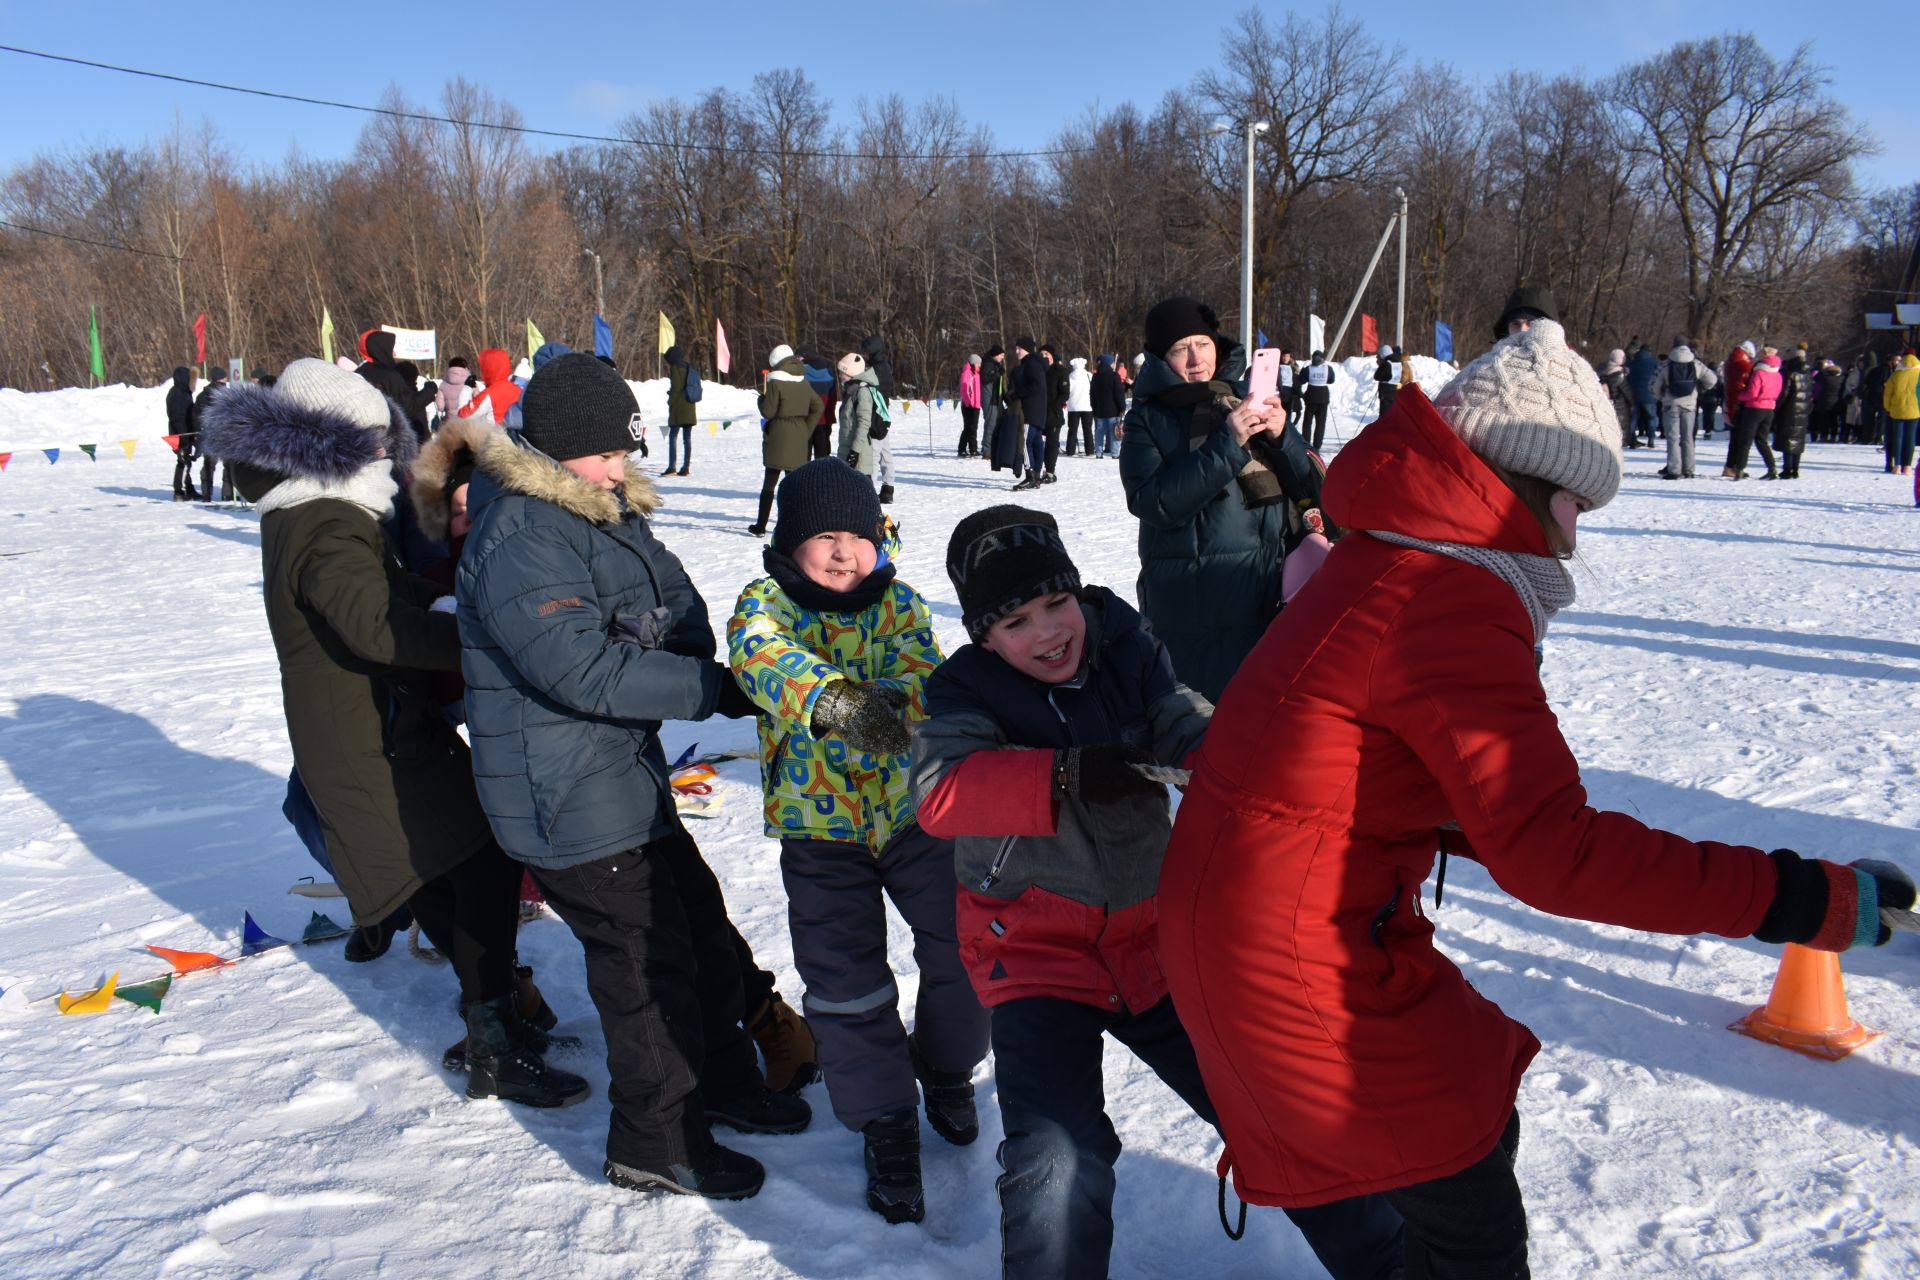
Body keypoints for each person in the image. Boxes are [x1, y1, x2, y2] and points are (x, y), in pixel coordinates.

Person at [1155, 318, 1917, 1278]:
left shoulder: (1388, 555)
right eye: (1580, 510)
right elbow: (1558, 854)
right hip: (1293, 952)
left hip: (1273, 919)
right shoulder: (1448, 597)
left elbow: (1389, 782)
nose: (1575, 538)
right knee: (1465, 1209)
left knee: (1465, 1125)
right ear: (1547, 493)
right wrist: (1807, 898)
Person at [913, 506, 1405, 1280]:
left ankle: (1396, 1264)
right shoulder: (962, 692)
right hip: (1037, 956)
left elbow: (1177, 715)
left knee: (1274, 1106)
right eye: (1016, 621)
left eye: (1055, 603)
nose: (1048, 632)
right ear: (983, 635)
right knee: (1056, 1154)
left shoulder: (1121, 641)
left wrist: (1235, 752)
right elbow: (941, 793)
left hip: (1156, 935)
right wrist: (1065, 774)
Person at [456, 353, 807, 1200]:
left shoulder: (597, 507)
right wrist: (716, 690)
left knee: (698, 931)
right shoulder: (521, 535)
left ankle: (721, 1085)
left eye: (627, 452)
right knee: (648, 970)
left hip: (618, 775)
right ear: (560, 446)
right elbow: (586, 671)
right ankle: (654, 1139)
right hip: (566, 796)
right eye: (609, 453)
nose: (622, 468)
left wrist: (681, 647)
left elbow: (671, 604)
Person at [201, 358, 587, 1108]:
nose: (387, 454)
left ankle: (496, 1023)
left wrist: (453, 603)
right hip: (371, 738)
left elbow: (388, 590)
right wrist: (484, 643)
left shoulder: (313, 509)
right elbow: (372, 624)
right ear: (329, 443)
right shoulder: (323, 519)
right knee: (477, 863)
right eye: (374, 441)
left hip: (376, 728)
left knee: (449, 874)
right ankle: (495, 1040)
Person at [728, 460, 988, 1224]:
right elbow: (760, 661)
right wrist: (837, 703)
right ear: (791, 544)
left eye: (859, 537)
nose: (844, 553)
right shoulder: (765, 605)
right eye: (825, 537)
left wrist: (904, 706)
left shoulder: (899, 604)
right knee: (846, 985)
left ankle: (943, 1066)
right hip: (819, 833)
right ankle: (885, 1122)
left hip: (912, 814)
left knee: (963, 945)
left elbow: (922, 679)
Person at [1118, 296, 1319, 704]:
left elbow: (1312, 489)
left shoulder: (1241, 398)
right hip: (1199, 608)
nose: (1196, 359)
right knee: (1211, 726)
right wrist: (1229, 443)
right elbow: (1154, 503)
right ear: (1160, 357)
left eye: (1203, 344)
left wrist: (1283, 437)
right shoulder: (1147, 418)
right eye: (1180, 349)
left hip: (1268, 594)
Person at [752, 343, 826, 536]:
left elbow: (768, 411)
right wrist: (806, 429)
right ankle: (798, 524)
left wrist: (761, 399)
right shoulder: (803, 381)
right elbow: (817, 406)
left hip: (778, 435)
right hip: (799, 435)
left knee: (770, 483)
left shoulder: (776, 382)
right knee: (795, 486)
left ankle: (761, 525)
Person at [1653, 338, 1718, 479]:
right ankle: (1689, 469)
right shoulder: (1696, 364)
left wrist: (1662, 397)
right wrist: (1700, 390)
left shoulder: (1666, 365)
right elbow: (1712, 379)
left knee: (1672, 438)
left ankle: (1674, 470)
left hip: (1671, 405)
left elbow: (1654, 386)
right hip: (1690, 406)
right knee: (1688, 438)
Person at [836, 351, 891, 500]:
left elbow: (864, 424)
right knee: (847, 499)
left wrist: (854, 451)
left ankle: (884, 524)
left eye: (843, 372)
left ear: (852, 373)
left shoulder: (862, 392)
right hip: (845, 451)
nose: (840, 376)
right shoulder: (849, 391)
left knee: (868, 501)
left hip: (859, 455)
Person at [1726, 346, 1782, 480]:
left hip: (1754, 409)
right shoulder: (1778, 375)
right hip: (1769, 409)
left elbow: (1752, 393)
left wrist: (1740, 396)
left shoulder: (1759, 374)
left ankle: (1739, 469)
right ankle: (1772, 468)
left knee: (1745, 440)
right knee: (1762, 440)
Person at [1011, 338, 1049, 492]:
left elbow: (1036, 386)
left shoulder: (1030, 364)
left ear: (1026, 349)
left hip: (1031, 410)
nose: (1016, 351)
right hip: (1039, 411)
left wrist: (1017, 393)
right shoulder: (1036, 363)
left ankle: (1030, 475)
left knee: (1024, 442)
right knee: (1036, 442)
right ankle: (1037, 474)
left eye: (1018, 348)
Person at [193, 365, 234, 501]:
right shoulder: (227, 395)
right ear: (222, 378)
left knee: (208, 465)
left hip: (209, 434)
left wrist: (199, 431)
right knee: (228, 466)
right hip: (225, 434)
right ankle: (227, 494)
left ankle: (206, 494)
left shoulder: (202, 396)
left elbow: (196, 416)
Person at [1773, 348, 1812, 480]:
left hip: (1789, 410)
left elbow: (1785, 394)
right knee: (1798, 440)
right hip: (1803, 410)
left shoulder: (1790, 373)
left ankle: (1787, 469)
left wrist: (1777, 408)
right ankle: (1795, 469)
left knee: (1788, 440)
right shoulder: (1808, 373)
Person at [662, 344, 701, 477]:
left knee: (673, 436)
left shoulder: (675, 369)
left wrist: (670, 402)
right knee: (687, 438)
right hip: (690, 407)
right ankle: (686, 467)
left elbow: (676, 390)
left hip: (678, 409)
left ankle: (672, 466)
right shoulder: (689, 368)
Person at [457, 349, 520, 426]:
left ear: (488, 368)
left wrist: (467, 388)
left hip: (495, 435)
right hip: (515, 436)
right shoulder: (519, 390)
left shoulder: (488, 394)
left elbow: (463, 417)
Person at [1882, 351, 1920, 477]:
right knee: (1910, 438)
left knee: (1897, 437)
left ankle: (1897, 465)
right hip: (1914, 410)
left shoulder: (1896, 375)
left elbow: (1887, 393)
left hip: (1896, 410)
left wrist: (1888, 408)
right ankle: (1907, 467)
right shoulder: (1918, 374)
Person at [166, 366, 197, 501]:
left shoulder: (183, 392)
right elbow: (177, 417)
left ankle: (188, 487)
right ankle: (179, 490)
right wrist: (183, 436)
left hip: (184, 432)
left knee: (186, 460)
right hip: (180, 434)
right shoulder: (178, 394)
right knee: (182, 461)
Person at [1090, 353, 1126, 458]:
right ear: (1109, 363)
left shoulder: (1095, 377)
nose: (1114, 364)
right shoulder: (1114, 376)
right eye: (1113, 362)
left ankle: (1098, 452)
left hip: (1100, 410)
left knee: (1099, 432)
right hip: (1113, 410)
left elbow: (1092, 394)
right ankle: (1115, 453)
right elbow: (1119, 394)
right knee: (1114, 432)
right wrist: (1122, 407)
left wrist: (1094, 408)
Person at [1596, 348, 1633, 449]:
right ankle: (1623, 442)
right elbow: (1627, 391)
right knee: (1623, 425)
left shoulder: (1604, 370)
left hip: (1609, 402)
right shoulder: (1619, 374)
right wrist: (1632, 402)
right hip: (1620, 404)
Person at [1042, 345, 1069, 481]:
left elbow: (1064, 394)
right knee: (1035, 442)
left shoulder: (1060, 371)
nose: (1044, 356)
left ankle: (1049, 472)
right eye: (1042, 354)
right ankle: (1035, 470)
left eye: (1047, 353)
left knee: (1052, 443)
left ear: (1052, 355)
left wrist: (1054, 406)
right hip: (1038, 412)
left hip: (1054, 413)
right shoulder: (1038, 369)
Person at [1299, 350, 1334, 452]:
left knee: (1307, 422)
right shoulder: (1328, 368)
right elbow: (1332, 380)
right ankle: (1317, 446)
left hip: (1311, 396)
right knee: (1320, 423)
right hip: (1323, 396)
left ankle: (1306, 443)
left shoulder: (1308, 369)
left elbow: (1301, 380)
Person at [981, 346, 1010, 470]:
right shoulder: (988, 364)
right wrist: (997, 373)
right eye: (1001, 355)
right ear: (996, 355)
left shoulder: (996, 366)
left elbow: (1000, 387)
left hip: (997, 400)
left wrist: (1006, 399)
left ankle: (995, 447)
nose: (1003, 357)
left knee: (1000, 424)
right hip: (990, 400)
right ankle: (987, 450)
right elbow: (985, 379)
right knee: (991, 424)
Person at [1492, 284, 1556, 339]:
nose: (1522, 330)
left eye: (1531, 324)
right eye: (1516, 324)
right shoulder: (1496, 353)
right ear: (1506, 328)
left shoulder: (1563, 353)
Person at [1626, 342, 1659, 448]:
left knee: (1633, 418)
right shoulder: (1654, 362)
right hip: (1649, 395)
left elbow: (1627, 375)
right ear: (1649, 351)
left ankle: (1631, 439)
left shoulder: (1631, 362)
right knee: (1651, 417)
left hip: (1633, 394)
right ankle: (1651, 439)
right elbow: (1659, 376)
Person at [1063, 356, 1094, 456]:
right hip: (1087, 406)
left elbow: (1067, 391)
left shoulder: (1069, 376)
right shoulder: (1089, 375)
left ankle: (1070, 450)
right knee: (1087, 430)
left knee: (1072, 430)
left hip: (1073, 407)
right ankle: (1089, 451)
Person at [434, 357, 472, 425]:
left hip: (451, 423)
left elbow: (440, 407)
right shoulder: (471, 382)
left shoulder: (443, 384)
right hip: (468, 421)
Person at [959, 354, 984, 457]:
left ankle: (973, 449)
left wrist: (979, 403)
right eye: (978, 363)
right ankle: (961, 449)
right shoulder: (967, 373)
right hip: (967, 405)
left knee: (974, 428)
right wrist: (968, 402)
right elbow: (964, 390)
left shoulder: (977, 374)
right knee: (968, 427)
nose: (979, 365)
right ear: (973, 363)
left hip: (976, 405)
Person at [1373, 344, 1401, 418]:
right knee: (1391, 414)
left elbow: (1377, 376)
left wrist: (1380, 365)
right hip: (1394, 391)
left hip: (1385, 393)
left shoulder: (1387, 364)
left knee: (1384, 416)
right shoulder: (1398, 363)